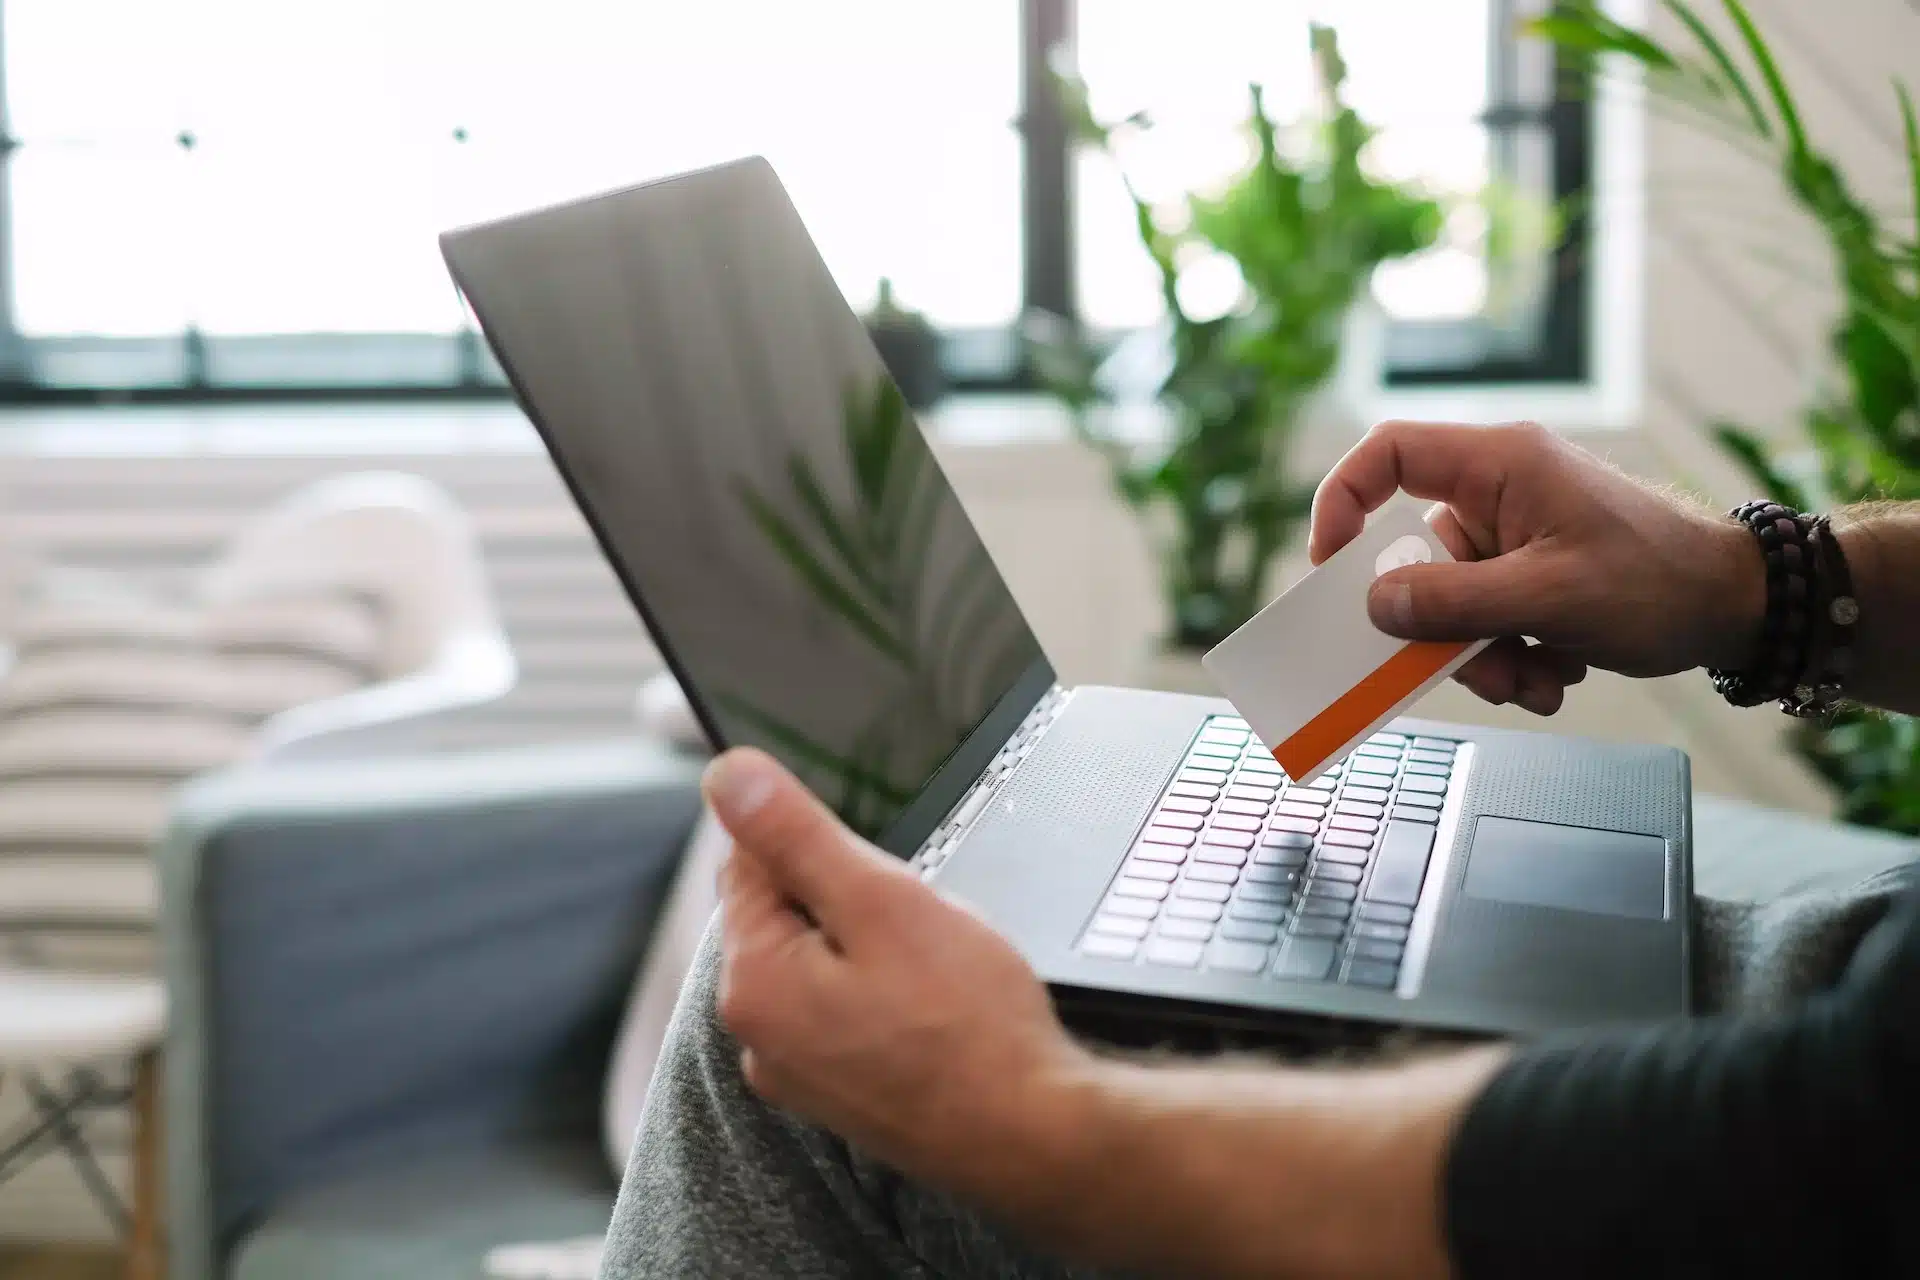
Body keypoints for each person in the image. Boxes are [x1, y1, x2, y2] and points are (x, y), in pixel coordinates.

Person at [601, 421, 1920, 1279]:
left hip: (1806, 1116)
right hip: (1860, 984)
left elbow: (1820, 1169)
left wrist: (1022, 1115)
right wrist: (1756, 582)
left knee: (812, 996)